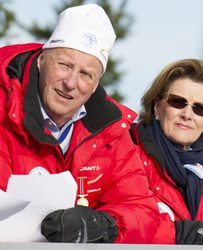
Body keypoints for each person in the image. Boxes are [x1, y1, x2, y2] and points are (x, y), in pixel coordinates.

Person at [0, 4, 162, 243]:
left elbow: (143, 212)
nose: (71, 82)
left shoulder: (111, 133)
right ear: (41, 61)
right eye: (64, 65)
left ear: (96, 84)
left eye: (86, 74)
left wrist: (103, 225)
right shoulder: (5, 109)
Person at [130, 58, 203, 244]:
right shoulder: (128, 157)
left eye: (200, 109)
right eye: (178, 102)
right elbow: (126, 224)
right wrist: (186, 233)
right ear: (157, 107)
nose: (187, 114)